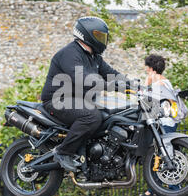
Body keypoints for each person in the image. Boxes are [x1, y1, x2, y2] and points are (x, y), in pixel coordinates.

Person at [41, 16, 128, 172]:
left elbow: (111, 73)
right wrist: (110, 85)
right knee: (92, 116)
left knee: (109, 115)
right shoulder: (69, 53)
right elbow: (82, 78)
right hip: (58, 100)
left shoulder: (94, 57)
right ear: (87, 35)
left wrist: (133, 84)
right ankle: (63, 153)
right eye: (99, 36)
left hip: (79, 100)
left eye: (103, 37)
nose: (103, 40)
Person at [140, 54, 181, 196]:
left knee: (164, 155)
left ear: (151, 69)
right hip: (169, 123)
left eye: (147, 69)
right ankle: (154, 189)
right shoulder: (166, 82)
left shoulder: (159, 84)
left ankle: (172, 188)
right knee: (159, 155)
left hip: (165, 124)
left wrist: (147, 82)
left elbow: (145, 100)